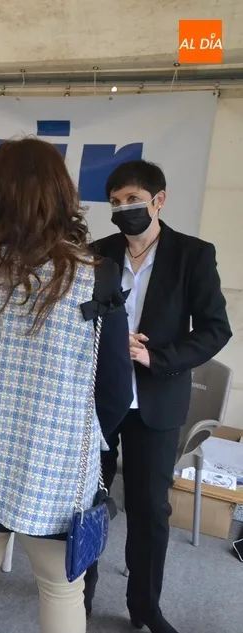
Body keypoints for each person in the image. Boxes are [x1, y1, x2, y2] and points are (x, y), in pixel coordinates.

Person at [0, 138, 134, 633]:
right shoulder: (95, 275)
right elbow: (115, 391)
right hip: (55, 466)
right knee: (62, 591)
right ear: (62, 194)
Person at [86, 160, 232, 633]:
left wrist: (157, 356)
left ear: (158, 200)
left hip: (156, 400)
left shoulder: (193, 254)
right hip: (98, 400)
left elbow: (215, 329)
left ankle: (144, 607)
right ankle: (78, 597)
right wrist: (108, 337)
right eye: (115, 202)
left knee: (150, 510)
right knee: (87, 501)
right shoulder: (97, 253)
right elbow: (76, 317)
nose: (123, 209)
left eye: (132, 199)